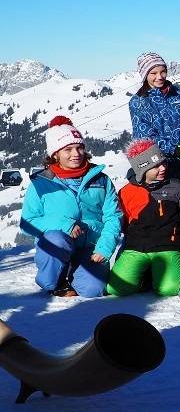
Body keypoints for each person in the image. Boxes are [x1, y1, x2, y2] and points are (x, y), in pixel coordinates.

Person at [20, 116, 121, 297]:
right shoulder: (41, 183)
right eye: (68, 149)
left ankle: (74, 271)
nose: (76, 154)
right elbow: (28, 223)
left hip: (90, 245)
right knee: (56, 239)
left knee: (92, 290)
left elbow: (113, 217)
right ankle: (54, 281)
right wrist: (64, 224)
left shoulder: (101, 180)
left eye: (80, 147)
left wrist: (104, 247)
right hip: (58, 243)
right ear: (55, 154)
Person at [106, 139, 180, 297]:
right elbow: (124, 223)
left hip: (167, 246)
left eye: (163, 163)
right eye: (156, 166)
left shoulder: (177, 187)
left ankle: (158, 275)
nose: (162, 168)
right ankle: (146, 276)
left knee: (169, 289)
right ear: (142, 169)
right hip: (136, 248)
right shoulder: (127, 192)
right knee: (116, 289)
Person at [128, 52, 180, 179]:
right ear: (145, 75)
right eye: (153, 73)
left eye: (163, 71)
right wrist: (174, 150)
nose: (160, 77)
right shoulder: (138, 102)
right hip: (159, 166)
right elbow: (145, 137)